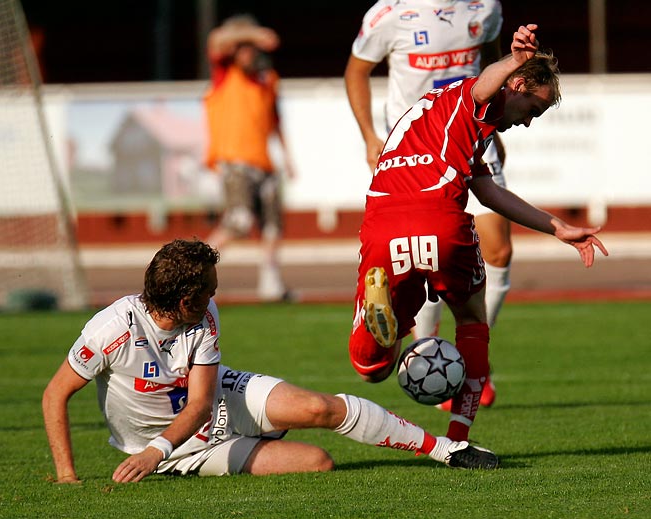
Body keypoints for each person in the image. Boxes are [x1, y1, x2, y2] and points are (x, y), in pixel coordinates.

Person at [42, 239, 498, 484]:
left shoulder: (204, 315)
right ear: (184, 300)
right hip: (172, 453)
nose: (216, 297)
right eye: (208, 291)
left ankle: (446, 450)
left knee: (319, 408)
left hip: (213, 402)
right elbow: (55, 394)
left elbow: (201, 402)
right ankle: (266, 430)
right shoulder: (111, 329)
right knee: (318, 463)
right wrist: (68, 476)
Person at [348, 24, 608, 447]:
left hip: (382, 221)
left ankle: (377, 328)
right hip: (440, 218)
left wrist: (557, 227)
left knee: (372, 368)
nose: (525, 123)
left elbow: (488, 191)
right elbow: (484, 87)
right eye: (531, 110)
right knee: (471, 321)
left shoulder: (440, 119)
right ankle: (459, 436)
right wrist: (515, 60)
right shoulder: (473, 98)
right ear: (518, 85)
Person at [344, 0, 506, 406]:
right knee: (430, 252)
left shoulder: (484, 7)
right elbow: (356, 70)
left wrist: (494, 124)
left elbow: (493, 60)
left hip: (472, 141)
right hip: (419, 149)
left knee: (499, 249)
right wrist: (369, 136)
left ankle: (460, 356)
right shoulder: (390, 12)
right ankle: (431, 351)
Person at [203, 14, 295, 302]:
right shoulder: (225, 73)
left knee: (271, 228)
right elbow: (216, 40)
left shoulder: (267, 79)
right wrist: (253, 34)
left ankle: (271, 284)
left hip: (264, 162)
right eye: (242, 46)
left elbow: (275, 119)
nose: (248, 52)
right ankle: (194, 269)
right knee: (238, 221)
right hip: (235, 162)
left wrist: (288, 156)